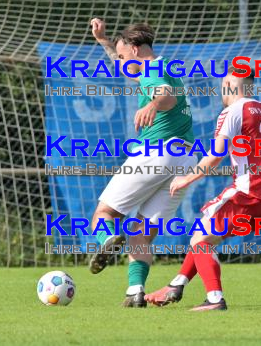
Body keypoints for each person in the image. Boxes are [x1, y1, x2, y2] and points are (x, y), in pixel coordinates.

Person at [144, 66, 261, 311]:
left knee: (200, 240)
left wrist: (186, 178)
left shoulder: (234, 110)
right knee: (204, 237)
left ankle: (215, 299)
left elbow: (215, 156)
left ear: (229, 83)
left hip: (247, 193)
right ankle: (176, 285)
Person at [89, 18, 196, 307]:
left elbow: (164, 95)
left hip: (157, 154)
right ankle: (135, 292)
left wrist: (151, 104)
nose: (122, 60)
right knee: (141, 234)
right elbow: (135, 74)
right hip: (185, 161)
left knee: (104, 213)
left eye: (124, 55)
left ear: (135, 50)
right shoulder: (162, 66)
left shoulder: (152, 71)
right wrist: (105, 42)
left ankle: (107, 239)